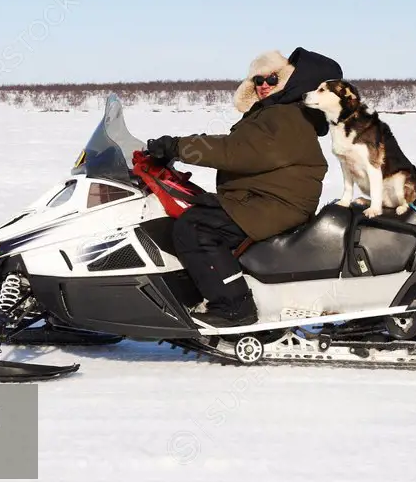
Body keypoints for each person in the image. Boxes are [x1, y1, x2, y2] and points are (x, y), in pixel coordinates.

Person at [146, 47, 342, 326]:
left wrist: (178, 146)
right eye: (257, 81)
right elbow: (240, 149)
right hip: (264, 198)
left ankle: (234, 308)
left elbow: (236, 151)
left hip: (275, 204)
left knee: (195, 227)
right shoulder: (279, 113)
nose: (263, 86)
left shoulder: (285, 115)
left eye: (272, 79)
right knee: (199, 210)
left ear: (291, 80)